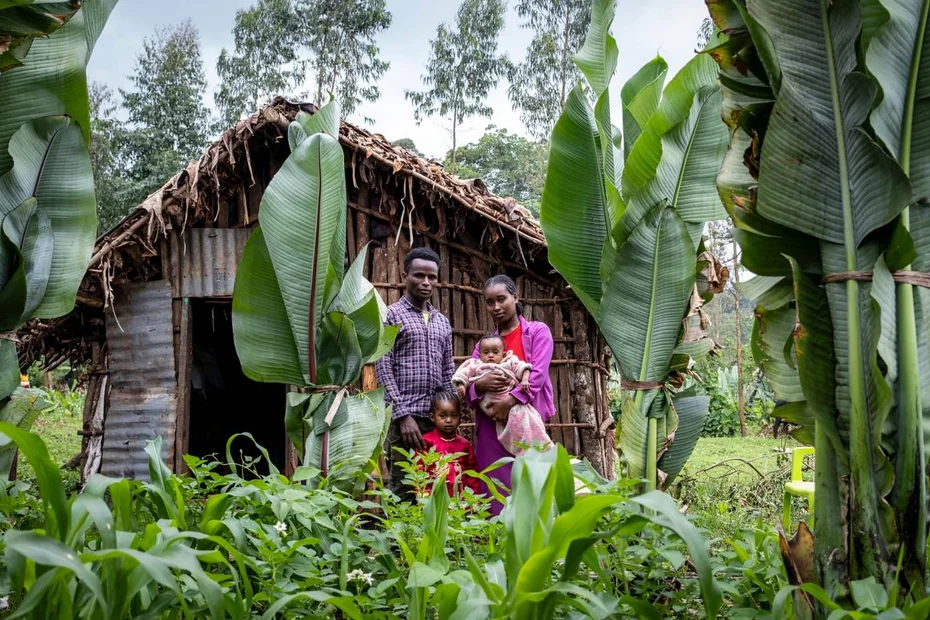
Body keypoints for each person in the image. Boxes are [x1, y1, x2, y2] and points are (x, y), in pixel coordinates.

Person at [464, 274, 555, 515]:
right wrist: (480, 385)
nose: (496, 307)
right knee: (496, 490)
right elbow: (468, 383)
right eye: (490, 302)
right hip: (490, 426)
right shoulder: (485, 345)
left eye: (501, 299)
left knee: (532, 485)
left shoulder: (537, 332)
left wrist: (510, 400)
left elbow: (537, 374)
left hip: (524, 423)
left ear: (516, 297)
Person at [375, 246, 454, 499]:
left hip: (437, 421)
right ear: (405, 274)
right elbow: (383, 367)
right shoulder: (391, 316)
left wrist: (451, 417)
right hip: (405, 421)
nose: (426, 282)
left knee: (439, 485)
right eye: (419, 275)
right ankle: (399, 540)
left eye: (432, 277)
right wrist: (402, 416)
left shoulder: (442, 321)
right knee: (404, 488)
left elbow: (447, 372)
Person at [452, 334, 552, 456]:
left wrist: (521, 386)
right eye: (485, 352)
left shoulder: (509, 361)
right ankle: (526, 449)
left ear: (503, 354)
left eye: (495, 352)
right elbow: (463, 375)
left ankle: (542, 450)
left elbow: (526, 369)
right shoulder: (476, 364)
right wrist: (473, 385)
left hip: (513, 404)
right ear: (480, 354)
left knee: (527, 421)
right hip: (489, 412)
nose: (490, 355)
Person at [419, 388, 480, 497]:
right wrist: (424, 498)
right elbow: (419, 470)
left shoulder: (464, 445)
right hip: (435, 502)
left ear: (460, 418)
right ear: (432, 417)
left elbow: (472, 474)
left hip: (461, 504)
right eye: (442, 416)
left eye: (454, 415)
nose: (448, 420)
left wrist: (474, 500)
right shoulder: (426, 442)